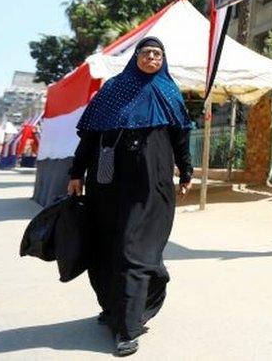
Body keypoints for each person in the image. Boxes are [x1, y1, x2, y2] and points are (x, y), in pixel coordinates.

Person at [67, 36, 193, 357]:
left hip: (152, 187)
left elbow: (180, 137)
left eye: (158, 53)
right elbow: (91, 136)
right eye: (147, 52)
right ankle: (114, 309)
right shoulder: (113, 89)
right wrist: (74, 173)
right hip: (107, 184)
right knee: (107, 245)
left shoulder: (169, 92)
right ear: (135, 56)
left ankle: (127, 329)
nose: (153, 57)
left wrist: (187, 171)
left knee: (134, 251)